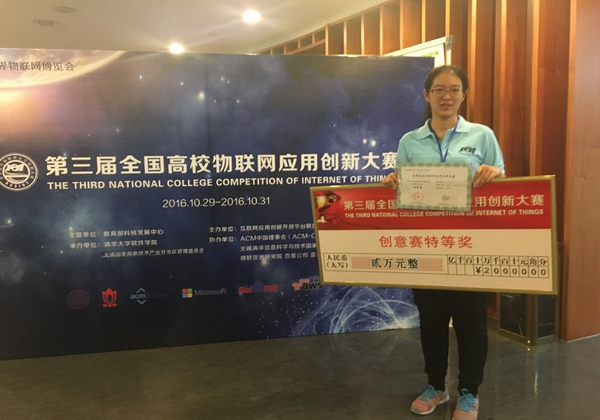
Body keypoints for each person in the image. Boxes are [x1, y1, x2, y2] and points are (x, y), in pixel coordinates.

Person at [381, 65, 505, 420]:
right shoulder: (409, 141)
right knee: (432, 323)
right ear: (427, 95)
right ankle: (435, 386)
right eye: (438, 90)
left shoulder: (482, 135)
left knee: (471, 326)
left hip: (470, 245)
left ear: (463, 95)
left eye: (453, 89)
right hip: (427, 247)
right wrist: (393, 183)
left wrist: (496, 173)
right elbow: (404, 190)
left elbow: (504, 185)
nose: (446, 96)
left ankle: (469, 393)